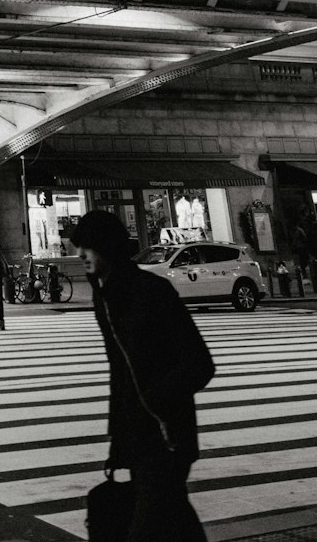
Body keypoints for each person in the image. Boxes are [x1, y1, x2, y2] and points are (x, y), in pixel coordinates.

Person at [71, 210, 214, 541]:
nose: (80, 255)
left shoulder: (152, 291)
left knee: (146, 527)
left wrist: (154, 403)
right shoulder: (104, 295)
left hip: (167, 435)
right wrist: (119, 435)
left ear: (108, 247)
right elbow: (120, 373)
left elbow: (199, 363)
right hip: (138, 436)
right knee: (176, 520)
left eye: (88, 247)